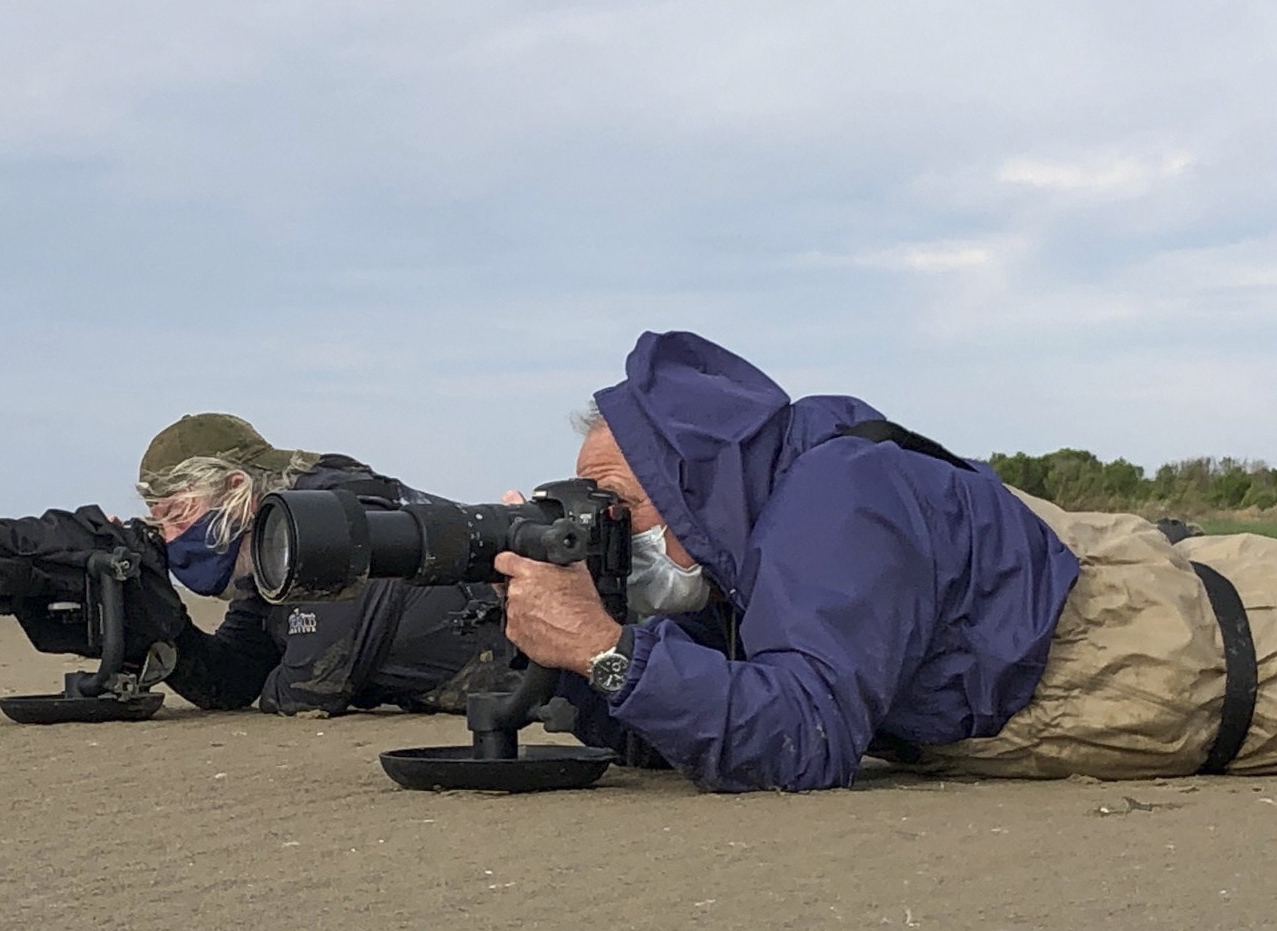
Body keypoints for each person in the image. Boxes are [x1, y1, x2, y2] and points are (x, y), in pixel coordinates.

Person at [494, 330, 1276, 791]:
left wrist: (602, 649)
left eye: (615, 502)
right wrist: (567, 635)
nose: (604, 525)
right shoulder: (748, 544)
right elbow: (676, 736)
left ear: (688, 482)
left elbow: (804, 735)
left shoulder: (835, 504)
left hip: (1238, 644)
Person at [137, 413, 512, 714]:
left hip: (531, 673)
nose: (170, 537)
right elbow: (232, 680)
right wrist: (160, 623)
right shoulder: (273, 549)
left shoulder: (338, 525)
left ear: (237, 488)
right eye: (160, 523)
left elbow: (307, 688)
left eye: (179, 513)